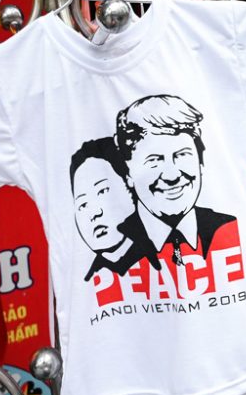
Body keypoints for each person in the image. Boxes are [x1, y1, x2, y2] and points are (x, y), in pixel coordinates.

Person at [115, 94, 235, 267]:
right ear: (128, 172)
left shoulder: (232, 228)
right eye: (155, 160)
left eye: (182, 155)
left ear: (200, 161)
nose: (171, 176)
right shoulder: (112, 249)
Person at [69, 137, 143, 281]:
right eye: (83, 204)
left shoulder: (168, 248)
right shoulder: (89, 276)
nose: (95, 213)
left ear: (129, 184)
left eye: (102, 191)